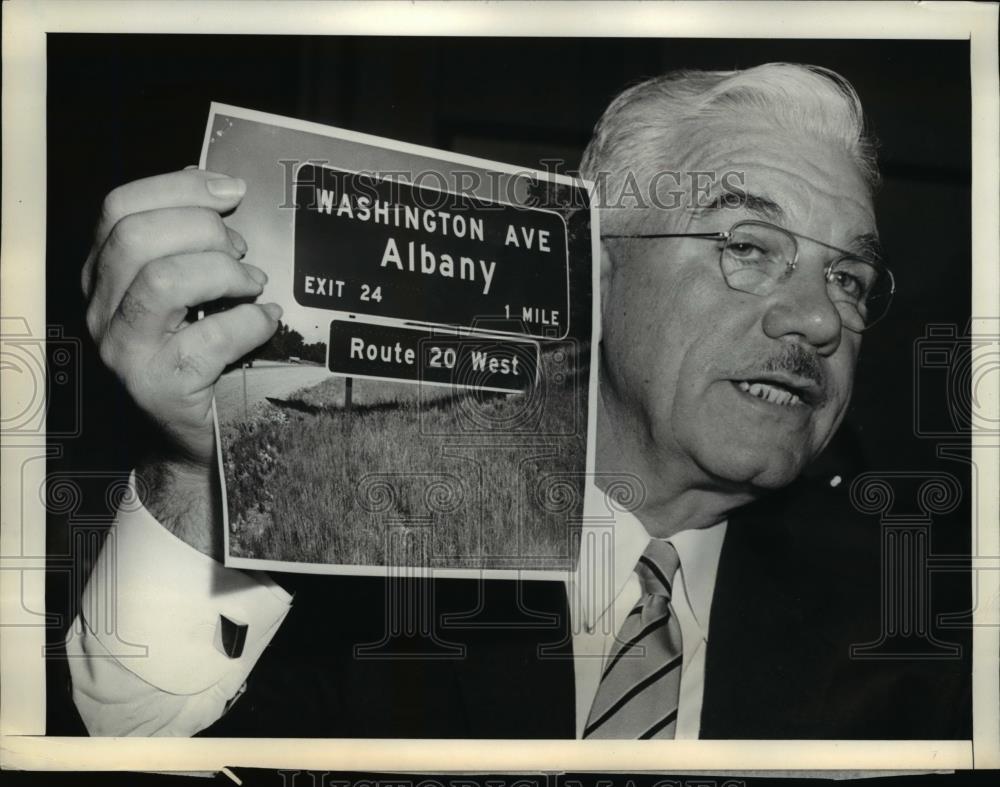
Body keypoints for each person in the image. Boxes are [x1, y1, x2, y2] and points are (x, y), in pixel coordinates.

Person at [64, 62, 969, 739]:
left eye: (849, 277)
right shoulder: (369, 542)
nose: (817, 318)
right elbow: (137, 740)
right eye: (749, 243)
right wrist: (198, 467)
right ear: (594, 263)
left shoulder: (920, 623)